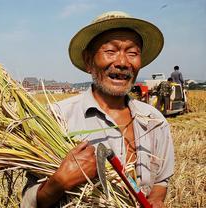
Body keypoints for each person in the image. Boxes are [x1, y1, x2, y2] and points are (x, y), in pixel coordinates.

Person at [21, 11, 174, 208]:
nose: (122, 62)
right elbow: (29, 202)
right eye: (110, 51)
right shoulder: (57, 118)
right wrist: (59, 182)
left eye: (132, 53)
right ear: (88, 61)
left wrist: (155, 200)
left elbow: (161, 181)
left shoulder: (154, 121)